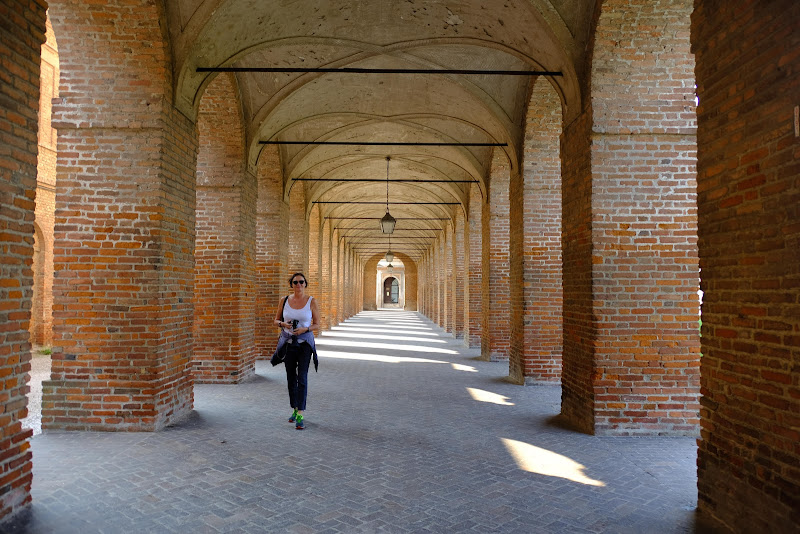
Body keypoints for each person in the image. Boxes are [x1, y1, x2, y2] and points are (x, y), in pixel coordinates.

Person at [272, 272, 319, 430]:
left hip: (304, 343)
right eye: (295, 282)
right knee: (291, 377)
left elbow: (317, 324)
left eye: (301, 282)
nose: (298, 285)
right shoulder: (284, 300)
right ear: (291, 284)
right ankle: (294, 408)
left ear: (305, 284)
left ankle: (300, 413)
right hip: (289, 343)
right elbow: (276, 320)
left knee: (302, 378)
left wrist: (305, 328)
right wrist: (283, 325)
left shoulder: (311, 301)